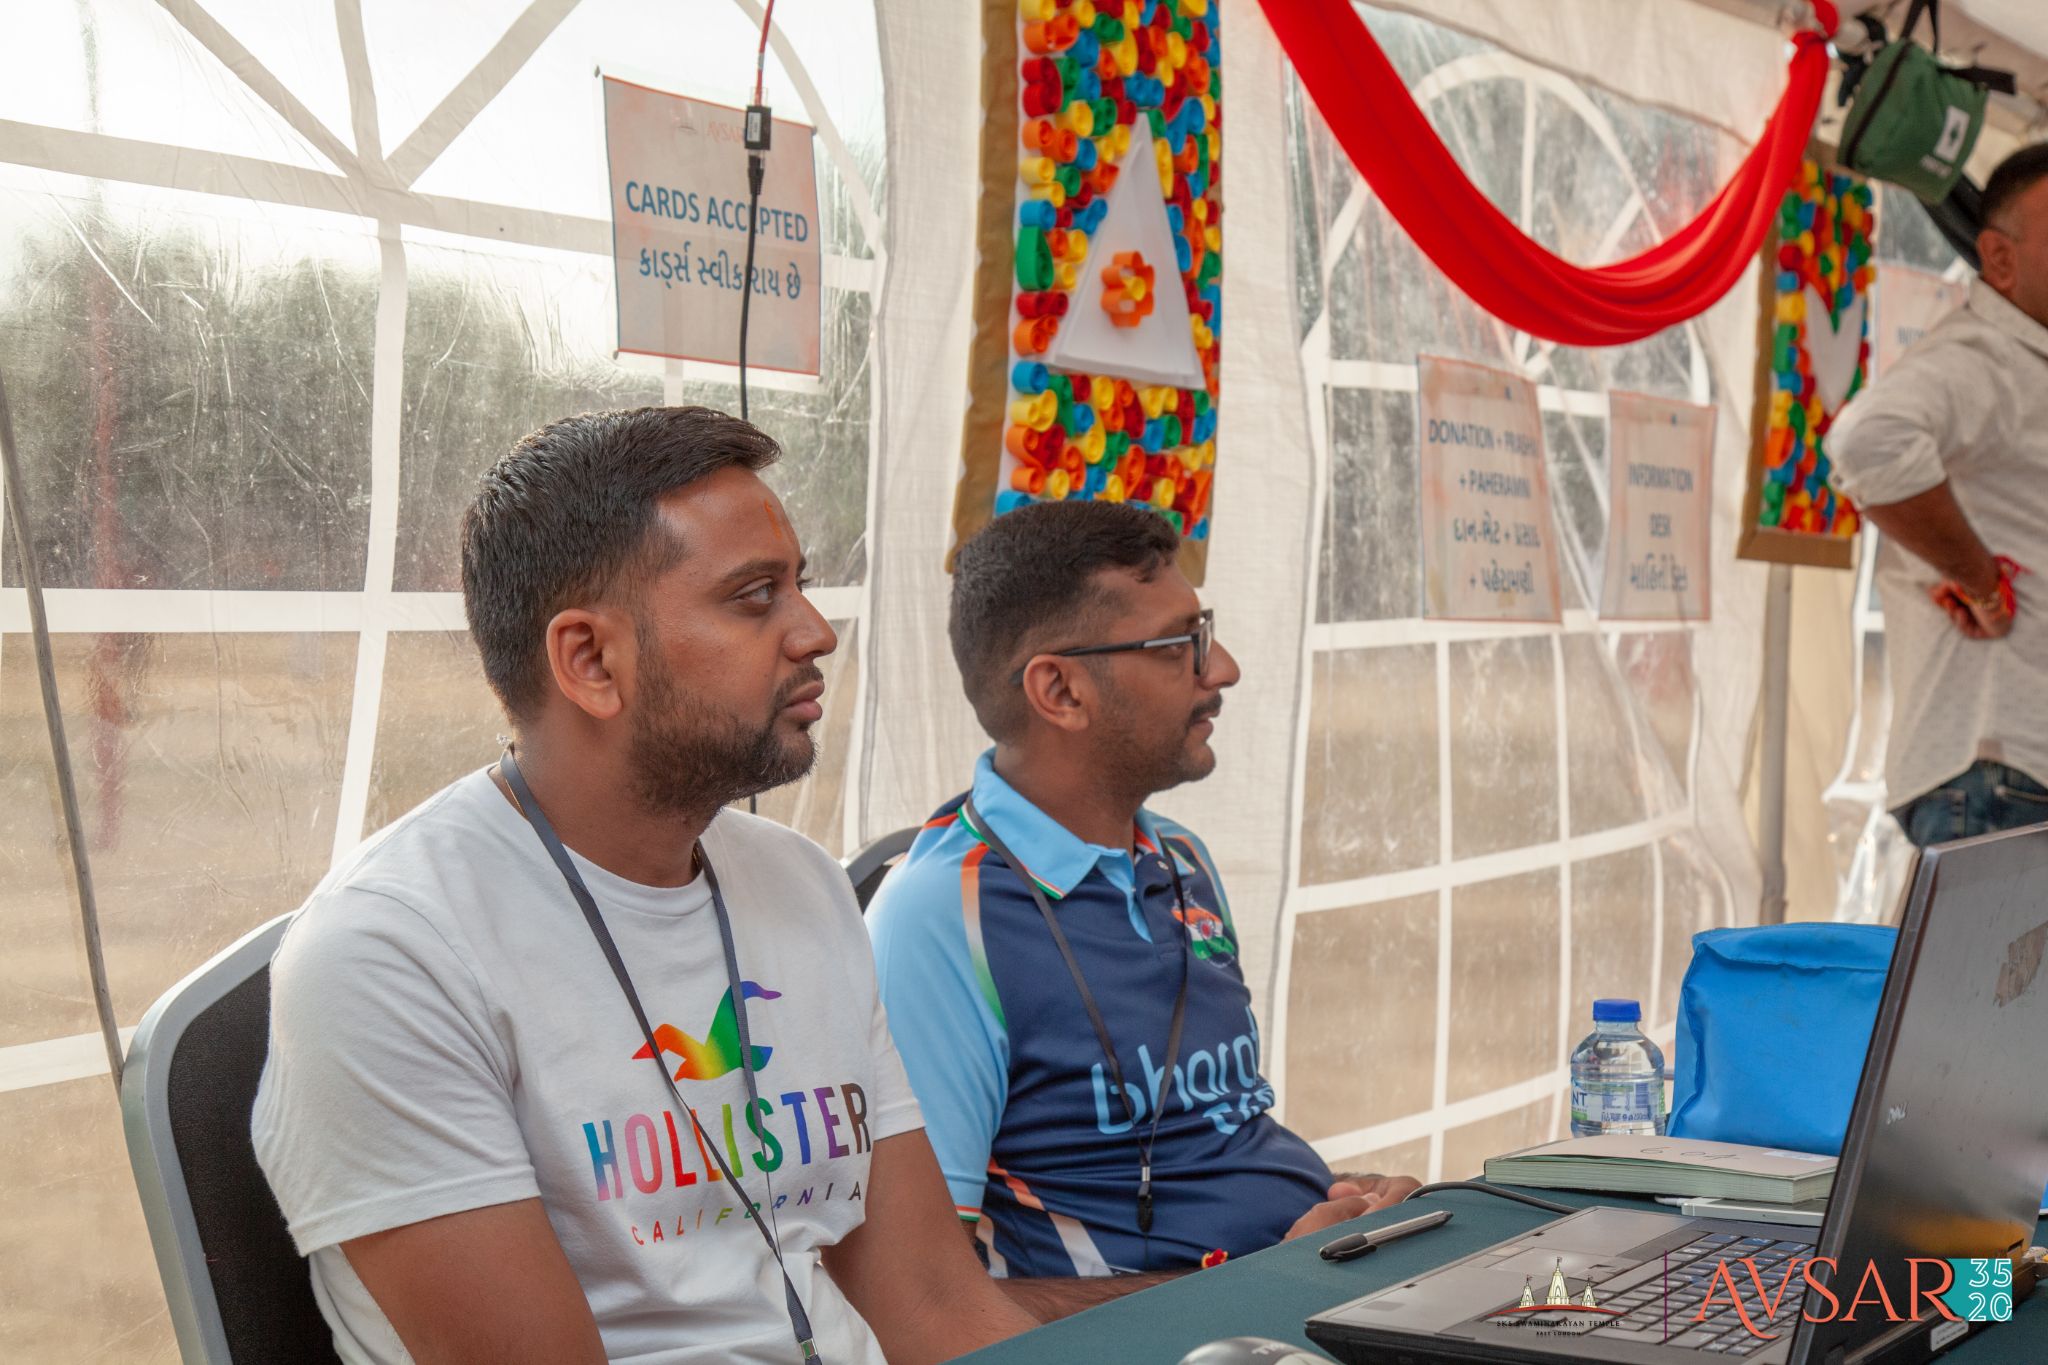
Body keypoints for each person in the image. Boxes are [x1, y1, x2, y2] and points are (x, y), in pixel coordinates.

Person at [252, 407, 1035, 1364]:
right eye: (755, 597)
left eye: (800, 585)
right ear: (589, 661)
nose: (817, 633)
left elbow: (938, 1313)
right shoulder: (388, 956)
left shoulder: (804, 884)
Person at [864, 500, 1420, 1322]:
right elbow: (926, 1306)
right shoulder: (941, 918)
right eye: (1180, 644)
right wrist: (1270, 1279)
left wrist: (1352, 1203)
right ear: (1059, 688)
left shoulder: (1180, 859)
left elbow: (1208, 1139)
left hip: (1302, 1293)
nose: (1222, 667)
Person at [1830, 144, 2048, 847]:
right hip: (1995, 771)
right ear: (2000, 257)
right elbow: (1868, 441)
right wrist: (1979, 579)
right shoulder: (1981, 358)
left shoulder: (2025, 363)